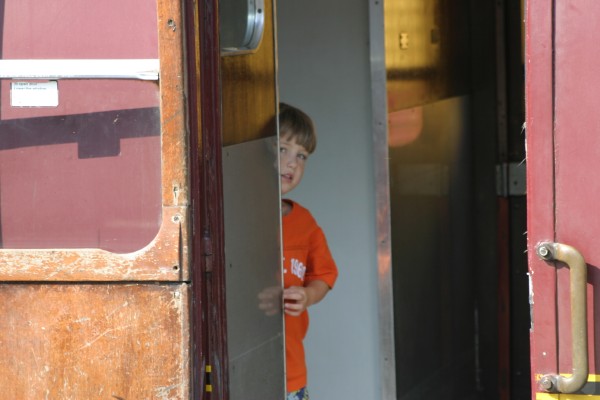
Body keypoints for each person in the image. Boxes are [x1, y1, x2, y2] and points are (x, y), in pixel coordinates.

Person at [278, 103, 338, 400]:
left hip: (291, 368)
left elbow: (324, 275)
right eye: (282, 150)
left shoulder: (304, 222)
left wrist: (309, 295)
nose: (292, 163)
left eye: (301, 156)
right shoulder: (236, 215)